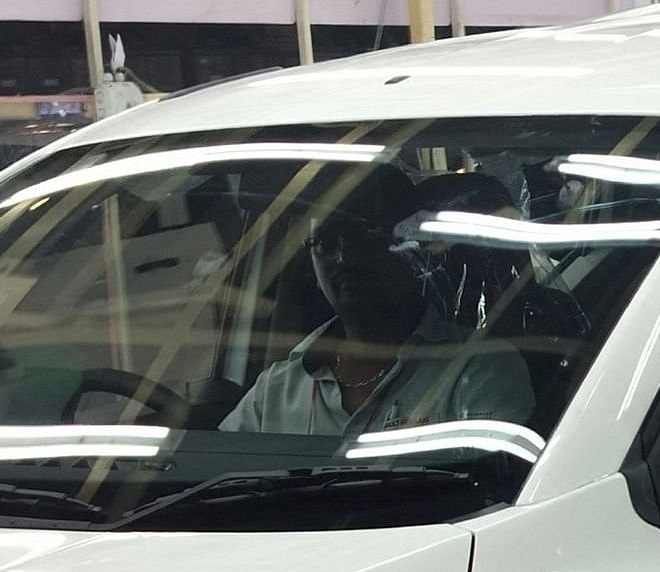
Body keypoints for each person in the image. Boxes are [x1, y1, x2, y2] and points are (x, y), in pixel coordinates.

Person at [222, 169, 534, 440]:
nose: (344, 258)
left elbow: (493, 493)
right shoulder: (277, 388)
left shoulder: (478, 369)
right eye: (326, 242)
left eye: (365, 236)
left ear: (414, 251)